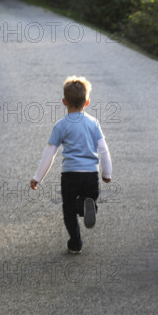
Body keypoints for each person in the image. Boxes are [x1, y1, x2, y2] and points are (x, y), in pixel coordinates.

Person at [31, 76, 112, 254]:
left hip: (70, 176)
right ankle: (86, 204)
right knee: (87, 200)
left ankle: (75, 243)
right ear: (87, 102)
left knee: (68, 210)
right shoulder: (93, 123)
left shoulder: (61, 126)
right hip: (90, 174)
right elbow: (103, 150)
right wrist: (107, 173)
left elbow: (49, 154)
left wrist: (38, 177)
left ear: (64, 101)